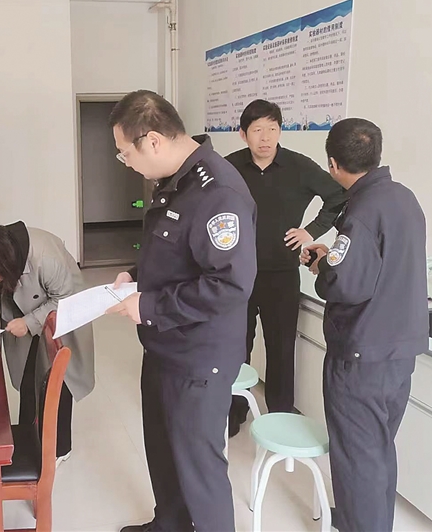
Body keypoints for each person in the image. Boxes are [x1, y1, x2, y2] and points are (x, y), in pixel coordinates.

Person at [104, 90, 257, 532]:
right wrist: (136, 276)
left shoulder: (218, 192)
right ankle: (168, 524)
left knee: (198, 467)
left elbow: (229, 284)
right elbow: (177, 256)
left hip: (198, 355)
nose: (125, 162)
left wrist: (150, 305)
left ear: (152, 141)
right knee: (163, 448)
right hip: (165, 345)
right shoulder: (177, 181)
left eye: (124, 153)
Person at [300, 118, 428, 532]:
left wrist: (323, 266)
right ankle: (365, 518)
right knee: (378, 447)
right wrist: (334, 257)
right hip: (399, 351)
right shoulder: (403, 198)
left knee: (358, 455)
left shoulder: (362, 210)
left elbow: (346, 285)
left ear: (333, 164)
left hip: (362, 356)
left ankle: (362, 524)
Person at [226, 99, 346, 436]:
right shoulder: (229, 167)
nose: (265, 137)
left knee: (280, 349)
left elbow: (338, 195)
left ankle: (279, 417)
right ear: (243, 134)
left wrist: (311, 231)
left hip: (281, 274)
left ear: (280, 130)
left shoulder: (299, 166)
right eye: (257, 130)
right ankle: (233, 413)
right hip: (237, 274)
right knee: (235, 346)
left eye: (272, 129)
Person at [0, 221, 95, 463]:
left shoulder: (45, 258)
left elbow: (64, 299)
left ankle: (59, 448)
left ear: (3, 264)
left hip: (62, 310)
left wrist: (30, 322)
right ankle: (28, 438)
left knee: (58, 379)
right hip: (21, 312)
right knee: (28, 375)